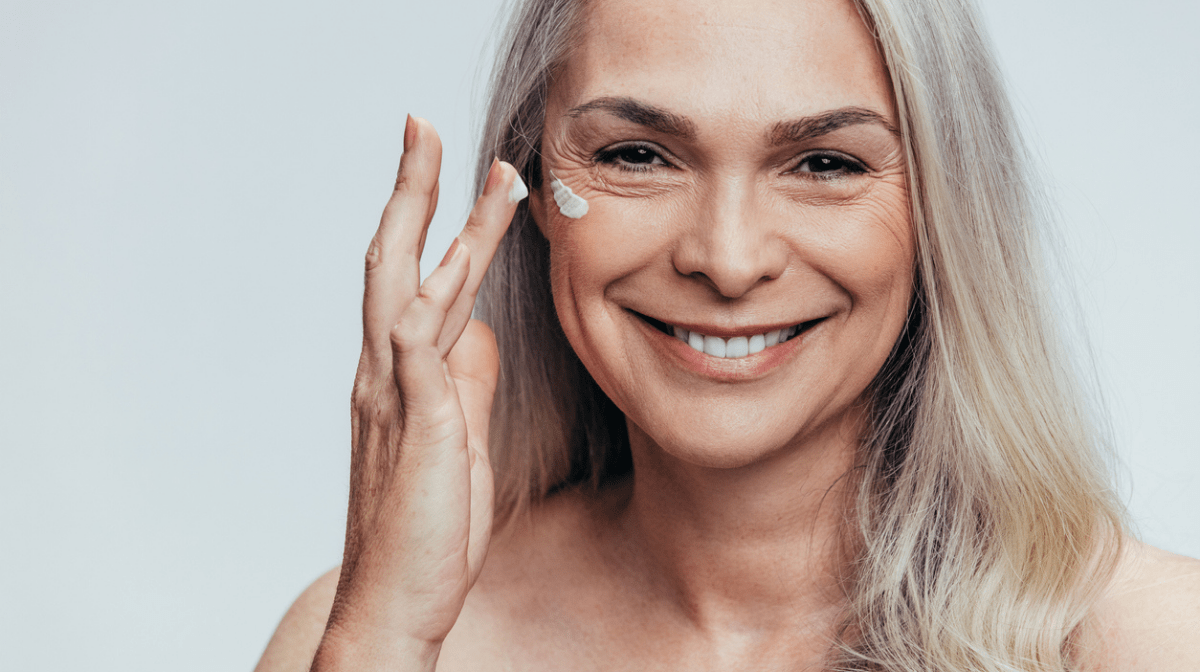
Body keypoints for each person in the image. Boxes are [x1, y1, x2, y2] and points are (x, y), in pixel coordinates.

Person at [255, 0, 1200, 669]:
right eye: (637, 154)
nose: (729, 258)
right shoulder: (364, 635)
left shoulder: (1152, 645)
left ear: (941, 211)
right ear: (534, 188)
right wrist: (382, 644)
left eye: (825, 163)